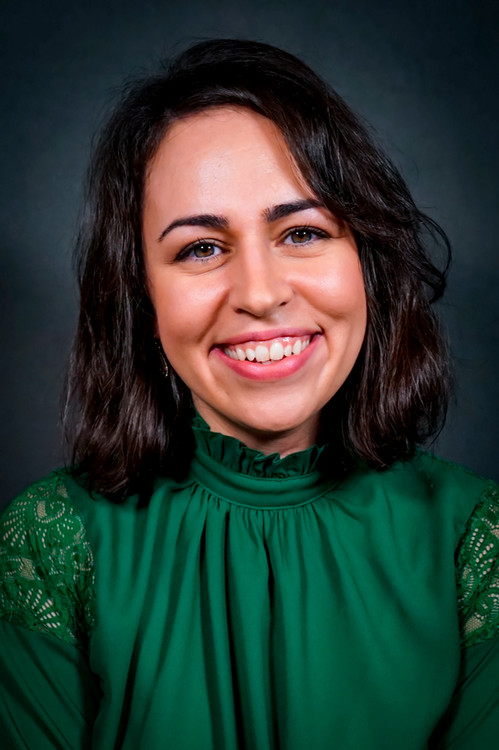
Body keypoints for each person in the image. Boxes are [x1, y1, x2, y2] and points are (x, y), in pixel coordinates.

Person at [0, 38, 498, 750]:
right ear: (139, 295)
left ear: (368, 262)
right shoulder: (48, 547)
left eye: (301, 231)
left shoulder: (474, 549)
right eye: (200, 248)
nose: (261, 295)